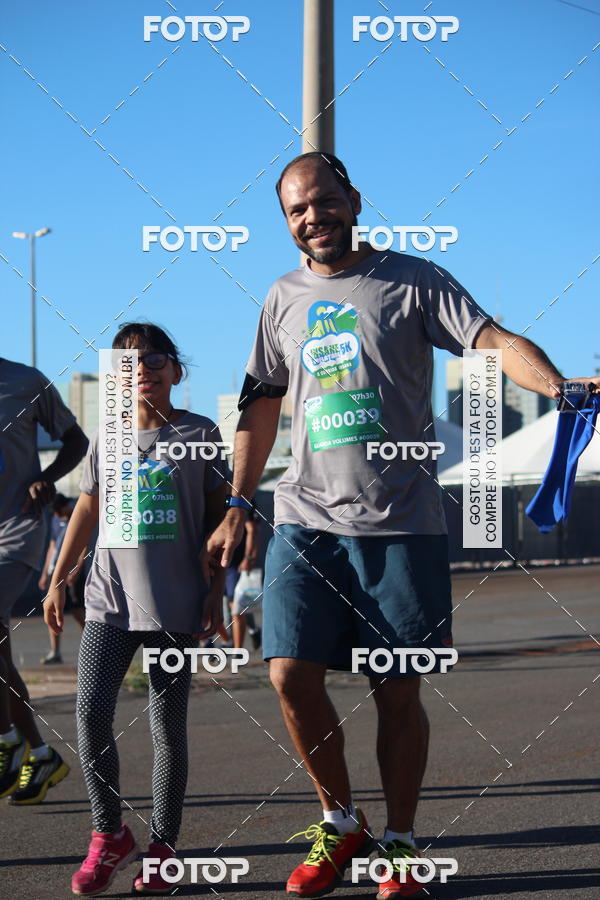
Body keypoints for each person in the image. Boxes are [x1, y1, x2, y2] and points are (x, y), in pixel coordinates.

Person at [207, 152, 600, 898]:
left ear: (353, 199)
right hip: (304, 516)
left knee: (396, 690)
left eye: (324, 201)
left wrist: (556, 385)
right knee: (289, 672)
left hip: (401, 522)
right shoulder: (281, 298)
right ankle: (340, 819)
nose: (313, 217)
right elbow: (260, 405)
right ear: (285, 221)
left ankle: (398, 841)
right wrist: (236, 502)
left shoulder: (414, 280)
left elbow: (492, 340)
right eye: (297, 210)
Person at [44, 323, 228, 896]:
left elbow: (220, 522)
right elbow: (88, 509)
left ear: (177, 371)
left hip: (174, 605)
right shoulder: (109, 437)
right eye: (127, 361)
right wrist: (58, 580)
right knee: (90, 710)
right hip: (108, 598)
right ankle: (109, 834)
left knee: (167, 728)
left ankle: (163, 849)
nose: (140, 367)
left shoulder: (202, 433)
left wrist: (216, 592)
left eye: (153, 358)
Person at [0, 357, 87, 805]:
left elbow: (77, 440)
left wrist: (46, 479)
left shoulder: (25, 381)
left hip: (17, 528)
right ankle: (36, 749)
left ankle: (8, 741)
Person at [38, 494, 86, 664]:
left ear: (66, 506)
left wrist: (76, 572)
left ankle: (93, 647)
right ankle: (55, 652)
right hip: (55, 571)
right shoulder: (55, 518)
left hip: (72, 573)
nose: (58, 515)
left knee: (78, 611)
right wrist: (45, 572)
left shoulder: (78, 515)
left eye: (59, 511)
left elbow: (84, 547)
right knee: (51, 610)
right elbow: (52, 546)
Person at [228, 500, 261, 650]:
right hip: (220, 560)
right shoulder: (213, 490)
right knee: (235, 605)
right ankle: (253, 629)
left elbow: (252, 530)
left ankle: (237, 650)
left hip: (237, 562)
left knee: (235, 607)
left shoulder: (241, 497)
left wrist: (248, 557)